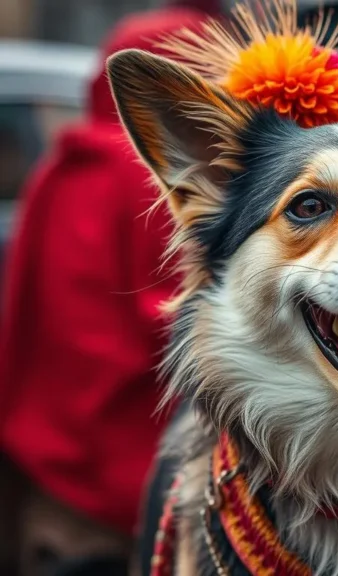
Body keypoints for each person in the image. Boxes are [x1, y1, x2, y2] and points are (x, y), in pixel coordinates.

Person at [0, 7, 208, 575]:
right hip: (129, 478)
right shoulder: (149, 177)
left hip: (50, 471)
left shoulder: (58, 164)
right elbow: (182, 316)